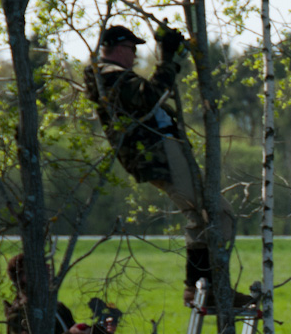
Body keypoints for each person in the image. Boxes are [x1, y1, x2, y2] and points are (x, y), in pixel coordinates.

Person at [84, 24, 239, 306]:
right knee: (215, 212)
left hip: (164, 150)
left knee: (206, 214)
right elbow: (148, 96)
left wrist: (170, 59)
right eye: (131, 49)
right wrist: (167, 60)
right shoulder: (107, 76)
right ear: (116, 47)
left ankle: (203, 288)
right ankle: (206, 289)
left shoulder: (111, 76)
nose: (134, 56)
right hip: (159, 152)